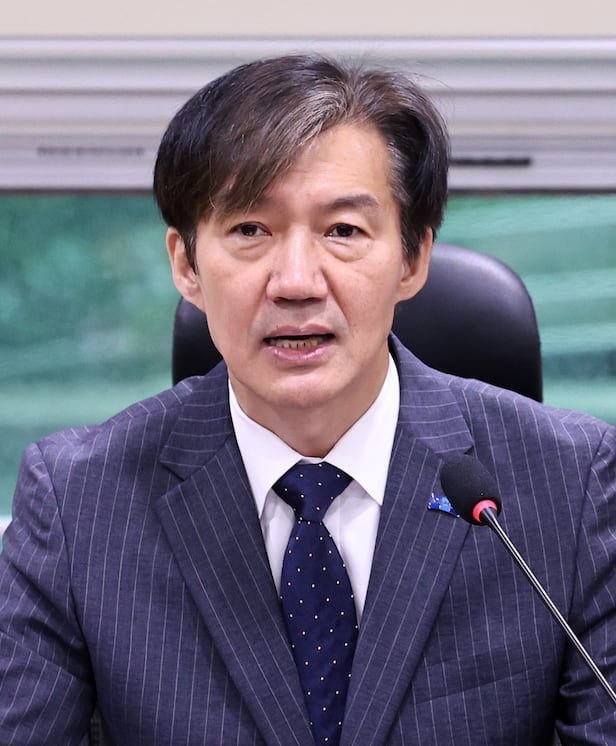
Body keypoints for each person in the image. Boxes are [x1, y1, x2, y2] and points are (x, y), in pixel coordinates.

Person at [0, 53, 615, 746]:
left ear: (412, 259)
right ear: (186, 264)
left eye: (343, 231)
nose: (295, 282)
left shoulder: (572, 483)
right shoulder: (78, 501)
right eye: (250, 230)